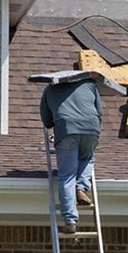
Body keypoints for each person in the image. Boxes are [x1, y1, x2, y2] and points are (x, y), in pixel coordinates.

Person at [40, 79, 102, 234]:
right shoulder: (89, 85)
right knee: (87, 158)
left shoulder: (50, 88)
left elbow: (47, 121)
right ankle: (81, 187)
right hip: (91, 127)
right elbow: (99, 112)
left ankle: (70, 220)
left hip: (66, 129)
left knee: (67, 176)